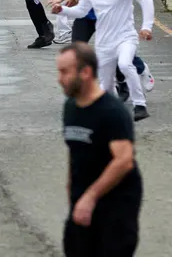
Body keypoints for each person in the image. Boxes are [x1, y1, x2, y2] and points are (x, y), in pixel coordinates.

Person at [56, 42, 144, 256]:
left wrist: (91, 197)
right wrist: (73, 191)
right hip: (83, 196)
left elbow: (123, 161)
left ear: (85, 72)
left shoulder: (112, 112)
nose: (59, 78)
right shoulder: (71, 107)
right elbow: (75, 151)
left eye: (64, 72)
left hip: (116, 201)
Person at [52, 0, 154, 121]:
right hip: (104, 43)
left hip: (125, 37)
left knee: (124, 64)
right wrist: (62, 10)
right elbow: (81, 11)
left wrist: (147, 26)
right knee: (105, 85)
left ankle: (140, 105)